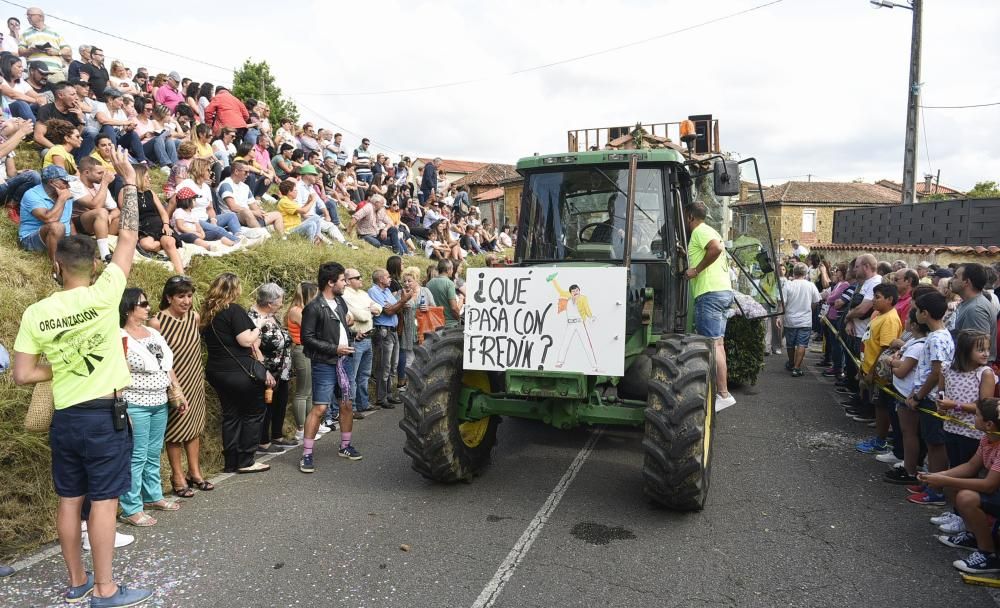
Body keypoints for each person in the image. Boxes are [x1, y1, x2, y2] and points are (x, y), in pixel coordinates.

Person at [12, 148, 153, 607]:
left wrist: (65, 360)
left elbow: (23, 375)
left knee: (69, 500)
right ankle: (106, 589)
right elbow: (129, 235)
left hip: (66, 418)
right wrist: (128, 180)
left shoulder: (37, 311)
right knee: (105, 503)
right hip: (105, 416)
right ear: (93, 265)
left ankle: (76, 583)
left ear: (56, 266)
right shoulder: (106, 292)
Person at [118, 288, 183, 527]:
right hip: (136, 402)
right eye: (143, 304)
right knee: (136, 455)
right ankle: (130, 507)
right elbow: (117, 372)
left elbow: (166, 365)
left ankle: (153, 495)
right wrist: (122, 406)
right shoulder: (120, 336)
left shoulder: (153, 332)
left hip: (159, 401)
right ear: (128, 308)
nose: (148, 308)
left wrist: (177, 390)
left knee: (153, 452)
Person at [199, 273, 274, 474]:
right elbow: (245, 340)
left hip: (216, 371)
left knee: (230, 414)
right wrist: (259, 326)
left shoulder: (208, 313)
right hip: (240, 372)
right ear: (235, 290)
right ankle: (246, 460)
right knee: (253, 412)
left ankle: (230, 461)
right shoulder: (233, 310)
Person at [145, 276, 212, 499]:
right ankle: (177, 476)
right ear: (169, 297)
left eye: (189, 296)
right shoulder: (157, 322)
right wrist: (172, 384)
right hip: (173, 383)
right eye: (181, 296)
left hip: (194, 379)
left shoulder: (194, 317)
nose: (186, 301)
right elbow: (156, 356)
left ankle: (195, 472)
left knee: (194, 427)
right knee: (175, 431)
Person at [920, 398, 1000, 574]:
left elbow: (989, 485)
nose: (973, 418)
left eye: (977, 415)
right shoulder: (987, 439)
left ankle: (988, 554)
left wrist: (944, 480)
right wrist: (937, 475)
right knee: (956, 487)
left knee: (965, 497)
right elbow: (970, 466)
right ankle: (973, 537)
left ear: (989, 424)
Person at [933, 331, 999, 533]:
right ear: (964, 350)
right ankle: (956, 511)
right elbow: (942, 394)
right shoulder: (947, 370)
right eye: (980, 349)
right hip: (951, 427)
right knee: (955, 464)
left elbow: (984, 406)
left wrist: (955, 405)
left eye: (987, 348)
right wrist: (941, 405)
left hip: (973, 432)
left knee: (968, 471)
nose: (985, 353)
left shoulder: (985, 373)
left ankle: (966, 517)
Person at [300, 262, 360, 473]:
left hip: (345, 361)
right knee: (320, 408)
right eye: (343, 280)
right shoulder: (314, 307)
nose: (346, 283)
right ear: (330, 282)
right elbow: (306, 339)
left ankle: (345, 446)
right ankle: (306, 454)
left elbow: (338, 327)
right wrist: (335, 348)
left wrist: (350, 332)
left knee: (346, 404)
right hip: (325, 363)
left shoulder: (340, 302)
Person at [904, 291, 956, 507]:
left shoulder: (937, 338)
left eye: (917, 310)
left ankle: (936, 489)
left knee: (935, 444)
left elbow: (936, 372)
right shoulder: (940, 336)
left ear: (925, 314)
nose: (915, 314)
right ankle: (930, 482)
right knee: (930, 440)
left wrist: (918, 395)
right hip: (929, 396)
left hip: (932, 398)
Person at [683, 201, 736, 410]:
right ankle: (722, 393)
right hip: (723, 293)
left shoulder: (699, 231)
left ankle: (722, 394)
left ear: (690, 217)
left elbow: (715, 248)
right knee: (718, 345)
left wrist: (695, 270)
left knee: (712, 346)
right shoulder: (710, 229)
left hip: (710, 294)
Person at [248, 283, 298, 453]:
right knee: (266, 405)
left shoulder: (271, 314)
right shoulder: (254, 318)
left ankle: (276, 435)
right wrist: (264, 371)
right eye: (280, 302)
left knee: (280, 403)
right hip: (267, 371)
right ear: (270, 303)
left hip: (281, 369)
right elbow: (254, 348)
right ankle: (263, 441)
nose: (282, 304)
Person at [853, 283, 902, 453]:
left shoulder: (890, 319)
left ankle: (880, 441)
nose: (873, 300)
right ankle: (878, 438)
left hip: (880, 374)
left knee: (882, 407)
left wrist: (872, 371)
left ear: (889, 300)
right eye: (873, 296)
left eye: (877, 297)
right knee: (877, 405)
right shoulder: (880, 315)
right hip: (869, 367)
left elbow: (885, 349)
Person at [18, 164, 78, 265]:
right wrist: (62, 199)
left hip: (62, 239)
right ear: (52, 182)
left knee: (87, 255)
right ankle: (55, 266)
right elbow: (50, 219)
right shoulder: (32, 195)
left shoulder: (64, 194)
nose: (68, 186)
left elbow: (69, 222)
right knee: (57, 227)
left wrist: (77, 242)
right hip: (32, 239)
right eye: (65, 182)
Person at [369, 268, 411, 409]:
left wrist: (397, 305)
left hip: (392, 331)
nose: (390, 279)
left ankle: (389, 394)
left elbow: (397, 308)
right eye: (387, 277)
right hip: (383, 332)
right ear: (380, 279)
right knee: (384, 366)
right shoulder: (373, 291)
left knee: (393, 365)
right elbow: (388, 311)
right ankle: (381, 397)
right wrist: (401, 302)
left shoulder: (387, 291)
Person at [342, 269, 381, 418]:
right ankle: (352, 408)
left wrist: (369, 310)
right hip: (356, 339)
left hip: (368, 337)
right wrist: (368, 311)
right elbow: (360, 315)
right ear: (348, 280)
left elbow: (379, 308)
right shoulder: (345, 294)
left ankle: (363, 403)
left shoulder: (363, 294)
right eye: (357, 277)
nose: (361, 279)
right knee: (352, 375)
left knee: (364, 374)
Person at [287, 282, 321, 441]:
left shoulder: (304, 310)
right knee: (302, 392)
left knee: (309, 392)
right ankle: (301, 428)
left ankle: (310, 425)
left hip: (308, 350)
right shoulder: (296, 311)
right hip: (301, 350)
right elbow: (314, 327)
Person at [218, 160, 282, 237]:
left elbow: (253, 205)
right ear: (236, 171)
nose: (248, 175)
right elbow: (233, 207)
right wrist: (254, 212)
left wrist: (259, 212)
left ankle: (282, 238)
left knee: (277, 214)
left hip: (248, 216)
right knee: (246, 211)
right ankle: (263, 235)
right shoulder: (226, 184)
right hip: (233, 217)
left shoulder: (245, 187)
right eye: (246, 172)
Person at [780, 263, 821, 377]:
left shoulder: (788, 285)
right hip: (805, 320)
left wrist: (780, 316)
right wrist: (809, 309)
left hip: (790, 319)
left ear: (793, 272)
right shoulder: (810, 285)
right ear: (806, 273)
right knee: (802, 344)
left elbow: (782, 302)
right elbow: (816, 301)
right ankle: (797, 368)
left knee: (790, 344)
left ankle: (791, 363)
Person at [952, 263, 998, 363]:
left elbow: (978, 353)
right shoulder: (969, 303)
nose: (951, 280)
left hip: (971, 374)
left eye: (955, 277)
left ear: (966, 282)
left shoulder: (975, 309)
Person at [19, 8, 70, 78]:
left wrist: (57, 52)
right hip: (35, 74)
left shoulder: (54, 32)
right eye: (27, 16)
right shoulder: (25, 33)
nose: (28, 17)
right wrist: (30, 50)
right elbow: (20, 52)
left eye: (30, 15)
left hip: (54, 72)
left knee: (61, 88)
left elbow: (68, 51)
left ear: (40, 16)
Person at [426, 258, 464, 326]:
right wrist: (458, 318)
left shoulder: (429, 283)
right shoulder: (449, 283)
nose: (453, 271)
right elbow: (454, 308)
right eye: (452, 269)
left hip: (434, 322)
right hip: (449, 324)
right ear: (448, 270)